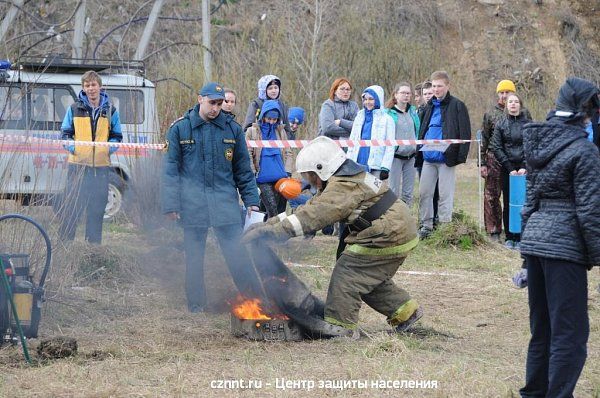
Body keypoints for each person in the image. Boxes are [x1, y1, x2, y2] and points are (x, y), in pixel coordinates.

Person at [242, 136, 422, 336]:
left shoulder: (343, 186)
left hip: (389, 233)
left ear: (322, 168)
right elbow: (308, 208)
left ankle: (340, 327)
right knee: (366, 277)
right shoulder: (344, 179)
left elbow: (314, 216)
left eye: (311, 176)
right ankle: (406, 312)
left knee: (349, 273)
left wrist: (271, 233)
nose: (311, 181)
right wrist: (269, 224)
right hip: (396, 228)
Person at [518, 77, 600, 397]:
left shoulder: (538, 143)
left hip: (536, 242)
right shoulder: (585, 151)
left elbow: (529, 203)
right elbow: (590, 211)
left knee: (543, 331)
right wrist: (596, 255)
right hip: (564, 248)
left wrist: (526, 252)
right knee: (570, 336)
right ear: (586, 110)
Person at [162, 82, 264, 313]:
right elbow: (170, 171)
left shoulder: (233, 130)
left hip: (224, 202)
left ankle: (254, 300)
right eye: (212, 103)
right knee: (195, 257)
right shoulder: (180, 129)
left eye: (220, 103)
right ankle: (196, 305)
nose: (216, 108)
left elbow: (243, 170)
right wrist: (171, 205)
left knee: (237, 253)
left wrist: (251, 202)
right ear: (200, 99)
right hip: (193, 204)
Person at [58, 70, 122, 244]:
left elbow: (117, 136)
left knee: (97, 209)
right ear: (83, 88)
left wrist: (107, 150)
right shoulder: (74, 108)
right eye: (87, 85)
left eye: (93, 85)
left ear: (99, 87)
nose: (91, 88)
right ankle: (64, 244)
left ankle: (93, 247)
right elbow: (65, 134)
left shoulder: (110, 110)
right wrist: (74, 148)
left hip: (101, 168)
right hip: (77, 166)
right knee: (72, 207)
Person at [415, 71, 471, 239]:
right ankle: (426, 226)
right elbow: (422, 131)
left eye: (439, 86)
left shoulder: (457, 106)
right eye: (434, 86)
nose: (436, 89)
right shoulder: (428, 106)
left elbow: (465, 132)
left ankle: (445, 227)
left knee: (445, 195)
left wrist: (459, 156)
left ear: (448, 86)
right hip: (427, 158)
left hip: (446, 159)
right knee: (425, 193)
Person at [490, 93, 531, 250]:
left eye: (516, 102)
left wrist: (524, 166)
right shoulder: (501, 124)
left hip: (524, 170)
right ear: (506, 105)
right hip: (507, 170)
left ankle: (522, 236)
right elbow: (496, 146)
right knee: (509, 202)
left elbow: (531, 145)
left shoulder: (528, 124)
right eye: (510, 102)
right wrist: (510, 168)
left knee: (525, 202)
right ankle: (509, 236)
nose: (513, 104)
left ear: (520, 105)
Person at [480, 80, 516, 242]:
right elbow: (484, 140)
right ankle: (494, 229)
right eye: (501, 93)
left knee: (513, 197)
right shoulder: (490, 114)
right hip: (493, 159)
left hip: (514, 159)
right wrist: (481, 163)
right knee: (491, 195)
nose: (504, 95)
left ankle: (514, 230)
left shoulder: (521, 112)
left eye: (507, 92)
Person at [246, 99, 293, 218]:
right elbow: (248, 153)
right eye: (269, 119)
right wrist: (252, 172)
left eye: (275, 119)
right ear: (263, 116)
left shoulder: (281, 131)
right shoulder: (252, 131)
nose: (272, 122)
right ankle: (269, 234)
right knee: (272, 208)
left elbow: (288, 152)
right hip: (262, 177)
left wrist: (288, 171)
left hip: (280, 176)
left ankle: (267, 232)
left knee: (279, 207)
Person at [346, 85, 395, 180]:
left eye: (371, 99)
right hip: (357, 163)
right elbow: (352, 141)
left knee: (374, 194)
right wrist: (348, 161)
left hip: (376, 166)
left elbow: (390, 146)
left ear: (378, 99)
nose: (367, 102)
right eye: (365, 99)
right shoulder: (359, 117)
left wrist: (385, 167)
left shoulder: (387, 119)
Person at [385, 82, 420, 205]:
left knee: (408, 193)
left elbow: (417, 130)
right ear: (396, 95)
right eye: (403, 93)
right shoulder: (388, 114)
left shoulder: (413, 112)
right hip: (395, 157)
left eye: (408, 93)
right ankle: (393, 219)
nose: (406, 95)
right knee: (393, 192)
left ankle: (407, 220)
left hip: (411, 157)